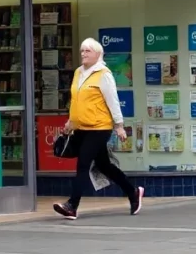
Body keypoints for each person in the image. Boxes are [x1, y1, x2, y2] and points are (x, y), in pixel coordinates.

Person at [53, 38, 143, 220]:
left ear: (98, 54)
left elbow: (113, 101)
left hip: (99, 128)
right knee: (104, 165)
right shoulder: (78, 72)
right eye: (82, 50)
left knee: (83, 164)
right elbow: (77, 100)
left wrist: (119, 125)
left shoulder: (104, 74)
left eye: (88, 51)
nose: (83, 54)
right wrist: (70, 122)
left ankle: (72, 206)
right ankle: (132, 192)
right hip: (81, 127)